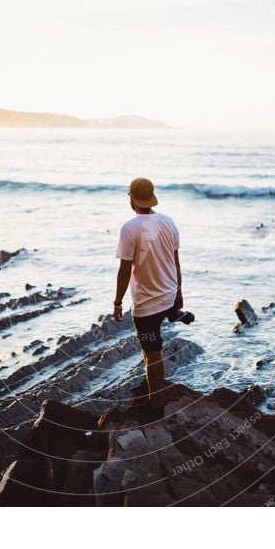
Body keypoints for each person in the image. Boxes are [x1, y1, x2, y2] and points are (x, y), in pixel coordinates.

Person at [113, 177, 194, 421]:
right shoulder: (168, 222)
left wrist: (117, 302)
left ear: (131, 198)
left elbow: (125, 270)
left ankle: (155, 402)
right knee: (151, 346)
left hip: (147, 305)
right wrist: (179, 292)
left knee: (152, 353)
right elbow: (175, 261)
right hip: (169, 294)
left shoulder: (130, 228)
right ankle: (174, 313)